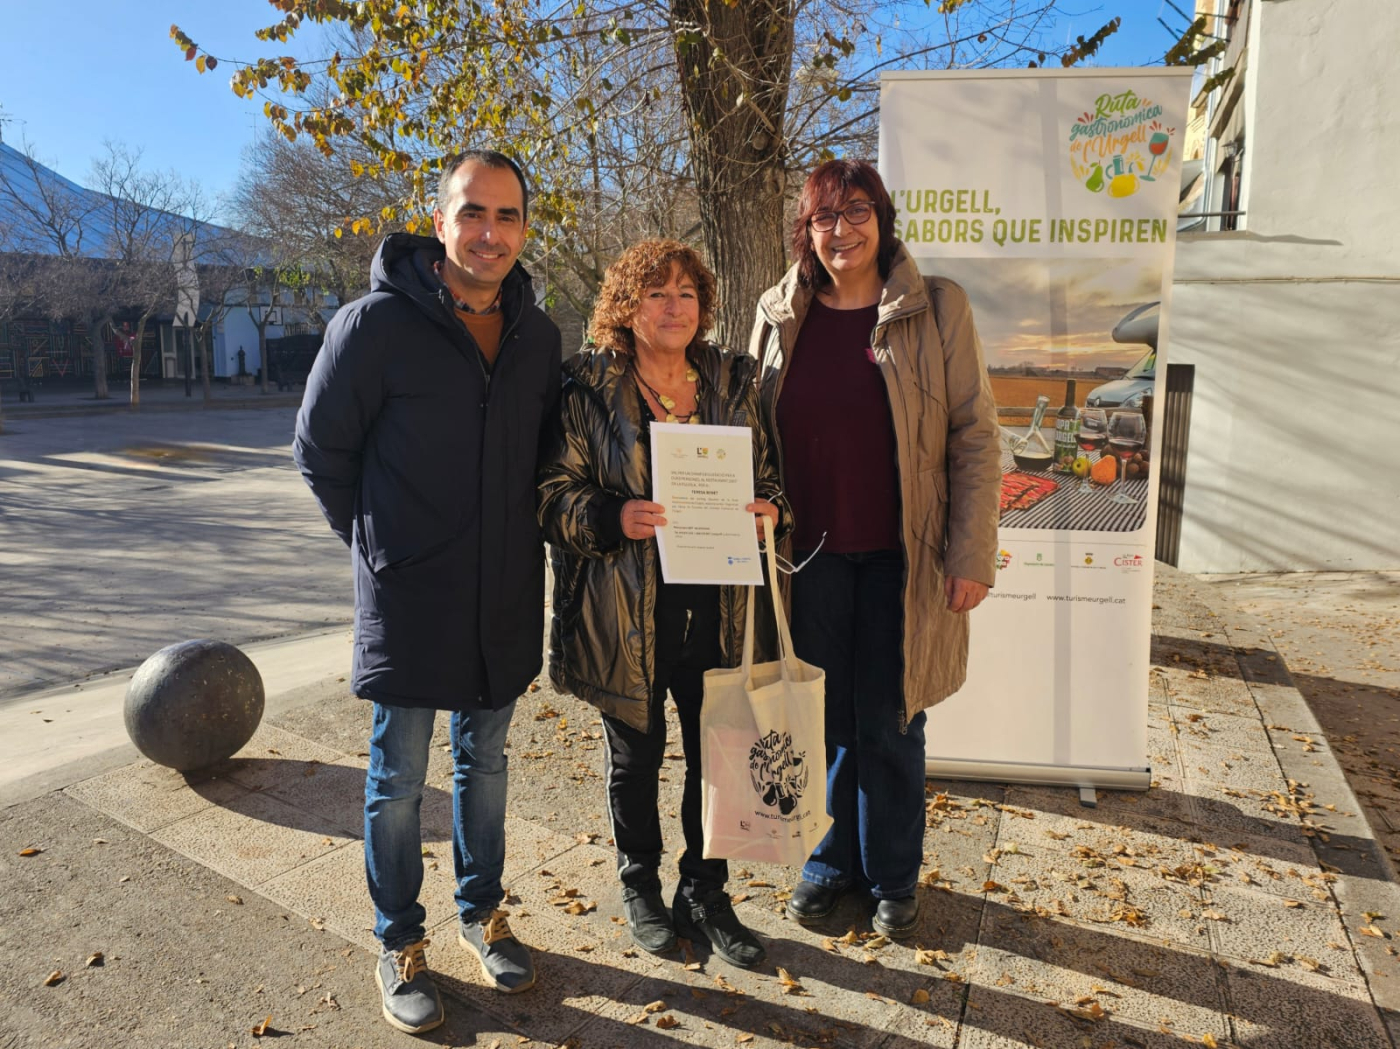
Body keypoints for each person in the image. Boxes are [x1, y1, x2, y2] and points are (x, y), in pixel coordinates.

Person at [293, 150, 561, 1033]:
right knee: (398, 778)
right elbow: (321, 452)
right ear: (439, 221)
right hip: (408, 600)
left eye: (508, 216)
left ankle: (482, 911)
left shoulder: (539, 335)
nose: (490, 233)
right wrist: (377, 545)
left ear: (525, 228)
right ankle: (399, 939)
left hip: (504, 598)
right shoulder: (372, 326)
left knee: (484, 767)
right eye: (473, 213)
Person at [748, 159, 1001, 938]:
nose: (841, 229)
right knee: (819, 717)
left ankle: (893, 874)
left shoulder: (937, 308)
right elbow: (749, 429)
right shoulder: (778, 312)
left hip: (905, 557)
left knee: (891, 718)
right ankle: (828, 863)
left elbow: (975, 435)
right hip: (806, 560)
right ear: (806, 229)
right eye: (825, 216)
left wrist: (971, 553)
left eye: (858, 211)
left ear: (883, 219)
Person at [538, 239, 788, 969]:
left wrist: (769, 507)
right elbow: (553, 495)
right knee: (635, 759)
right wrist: (612, 517)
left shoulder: (736, 382)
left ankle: (706, 890)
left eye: (686, 293)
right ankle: (640, 883)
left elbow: (771, 474)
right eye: (656, 293)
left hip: (720, 608)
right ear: (626, 306)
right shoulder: (585, 387)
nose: (673, 306)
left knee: (719, 759)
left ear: (703, 307)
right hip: (625, 612)